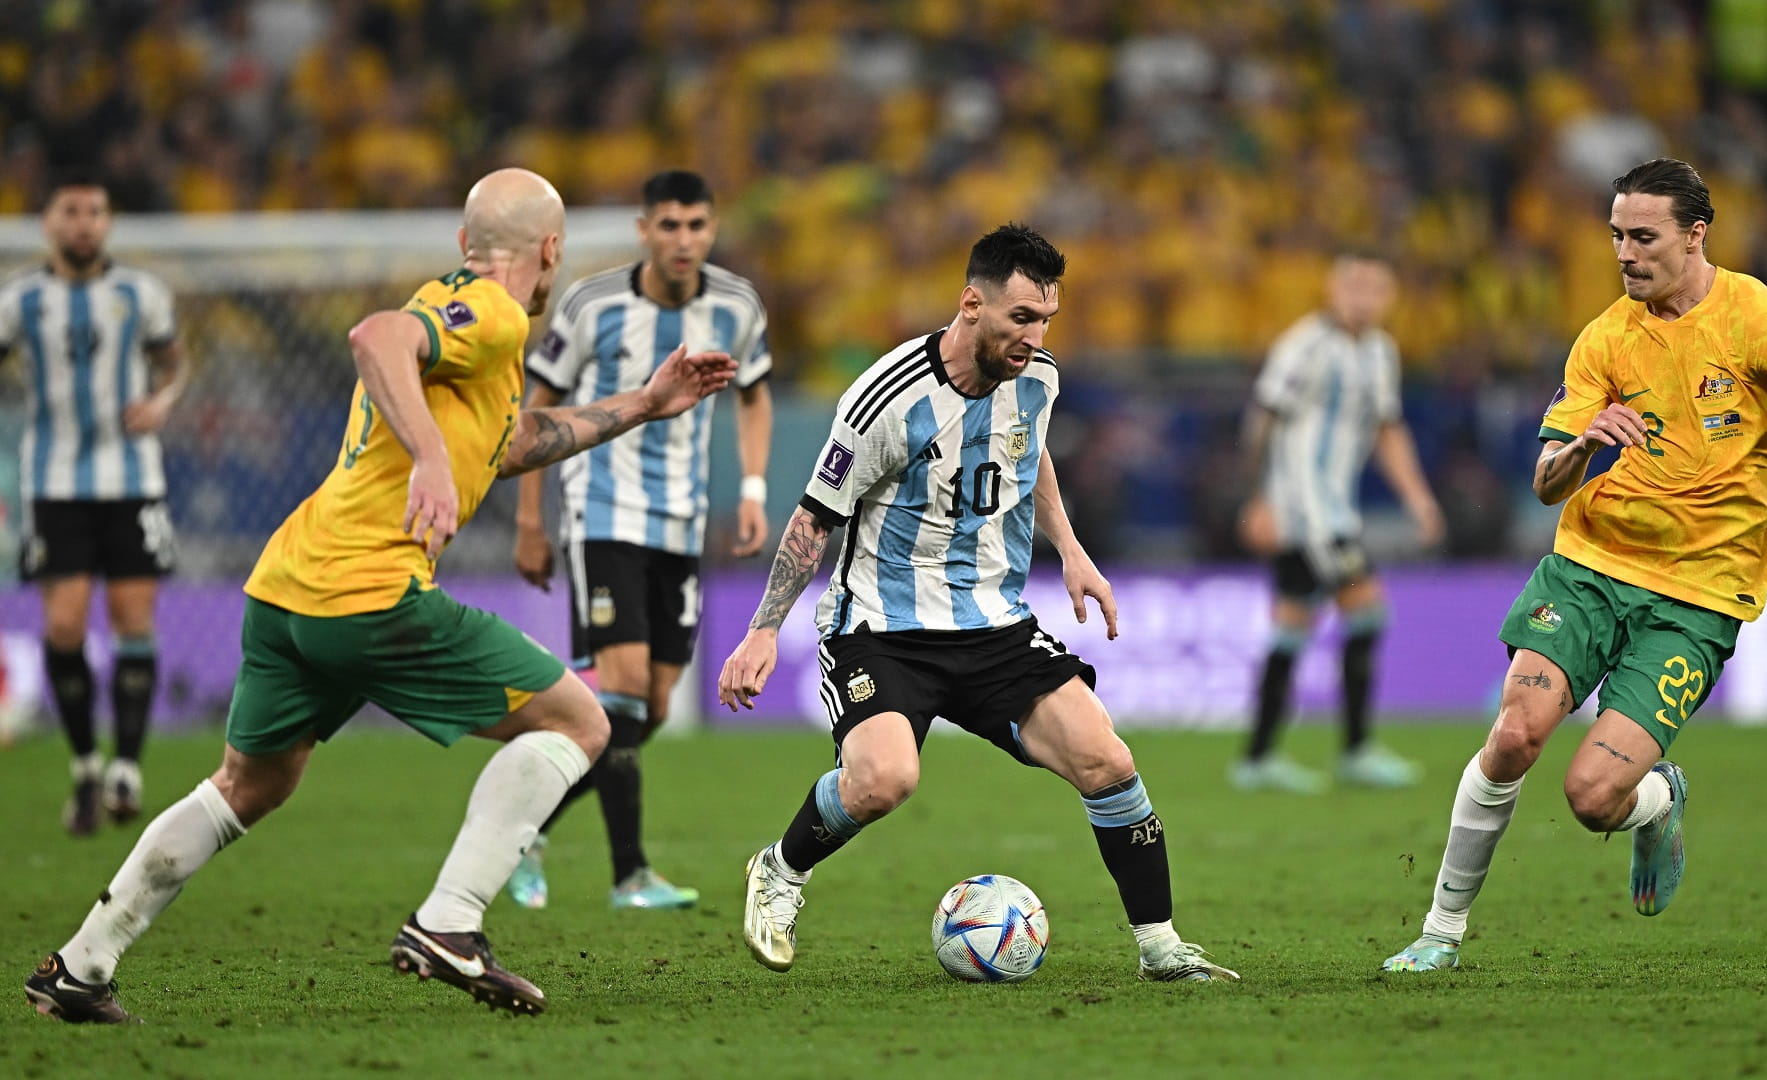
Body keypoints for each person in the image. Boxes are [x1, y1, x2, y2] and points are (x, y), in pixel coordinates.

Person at [24, 168, 738, 1023]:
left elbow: (508, 444)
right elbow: (373, 337)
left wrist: (643, 403)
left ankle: (81, 964)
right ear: (550, 251)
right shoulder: (497, 312)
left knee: (247, 784)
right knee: (579, 722)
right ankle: (450, 921)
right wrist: (431, 458)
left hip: (287, 585)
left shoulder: (460, 312)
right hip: (367, 589)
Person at [1384, 158, 1767, 972]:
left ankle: (1660, 801)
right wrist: (1585, 443)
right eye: (1616, 237)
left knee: (1593, 798)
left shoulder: (1756, 318)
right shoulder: (1605, 337)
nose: (1625, 254)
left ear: (1695, 235)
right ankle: (1440, 933)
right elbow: (1546, 480)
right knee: (1517, 734)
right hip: (1592, 565)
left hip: (1698, 596)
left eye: (1643, 236)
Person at [717, 224, 1238, 983]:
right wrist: (764, 632)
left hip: (992, 624)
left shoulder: (1038, 377)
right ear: (971, 304)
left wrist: (1070, 548)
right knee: (883, 781)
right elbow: (813, 518)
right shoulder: (883, 400)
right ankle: (779, 868)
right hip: (883, 630)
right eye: (1022, 318)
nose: (1036, 336)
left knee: (1108, 761)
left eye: (1048, 319)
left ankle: (1160, 948)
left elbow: (1029, 450)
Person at [507, 170, 773, 911]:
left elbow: (754, 396)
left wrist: (751, 490)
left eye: (696, 225)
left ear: (712, 229)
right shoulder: (593, 304)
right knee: (621, 695)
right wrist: (533, 522)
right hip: (604, 513)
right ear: (643, 229)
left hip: (681, 524)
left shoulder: (737, 305)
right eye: (669, 225)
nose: (683, 240)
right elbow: (539, 409)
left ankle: (526, 827)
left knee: (649, 709)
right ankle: (630, 874)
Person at [0, 173, 189, 834]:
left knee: (135, 620)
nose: (84, 223)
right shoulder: (19, 300)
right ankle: (84, 763)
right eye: (70, 210)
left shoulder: (141, 293)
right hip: (52, 483)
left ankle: (126, 768)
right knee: (64, 628)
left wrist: (163, 401)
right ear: (48, 221)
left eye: (95, 211)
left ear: (107, 221)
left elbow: (173, 362)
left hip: (134, 479)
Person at [1233, 253, 1444, 793]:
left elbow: (1387, 431)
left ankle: (1257, 759)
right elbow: (1264, 419)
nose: (1363, 297)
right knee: (1367, 611)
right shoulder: (1304, 345)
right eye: (1353, 285)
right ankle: (1353, 750)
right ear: (1332, 288)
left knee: (1291, 625)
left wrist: (1418, 498)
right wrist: (1257, 501)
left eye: (1375, 288)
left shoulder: (1379, 351)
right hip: (1306, 514)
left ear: (1389, 296)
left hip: (1335, 513)